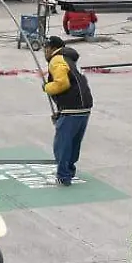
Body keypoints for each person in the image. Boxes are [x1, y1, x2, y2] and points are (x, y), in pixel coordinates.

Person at [42, 36, 93, 186]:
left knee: (62, 144)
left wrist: (46, 87)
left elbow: (62, 84)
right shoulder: (69, 59)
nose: (45, 52)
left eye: (46, 48)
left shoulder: (56, 60)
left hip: (72, 107)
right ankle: (69, 171)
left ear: (51, 48)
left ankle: (63, 176)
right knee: (73, 143)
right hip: (84, 107)